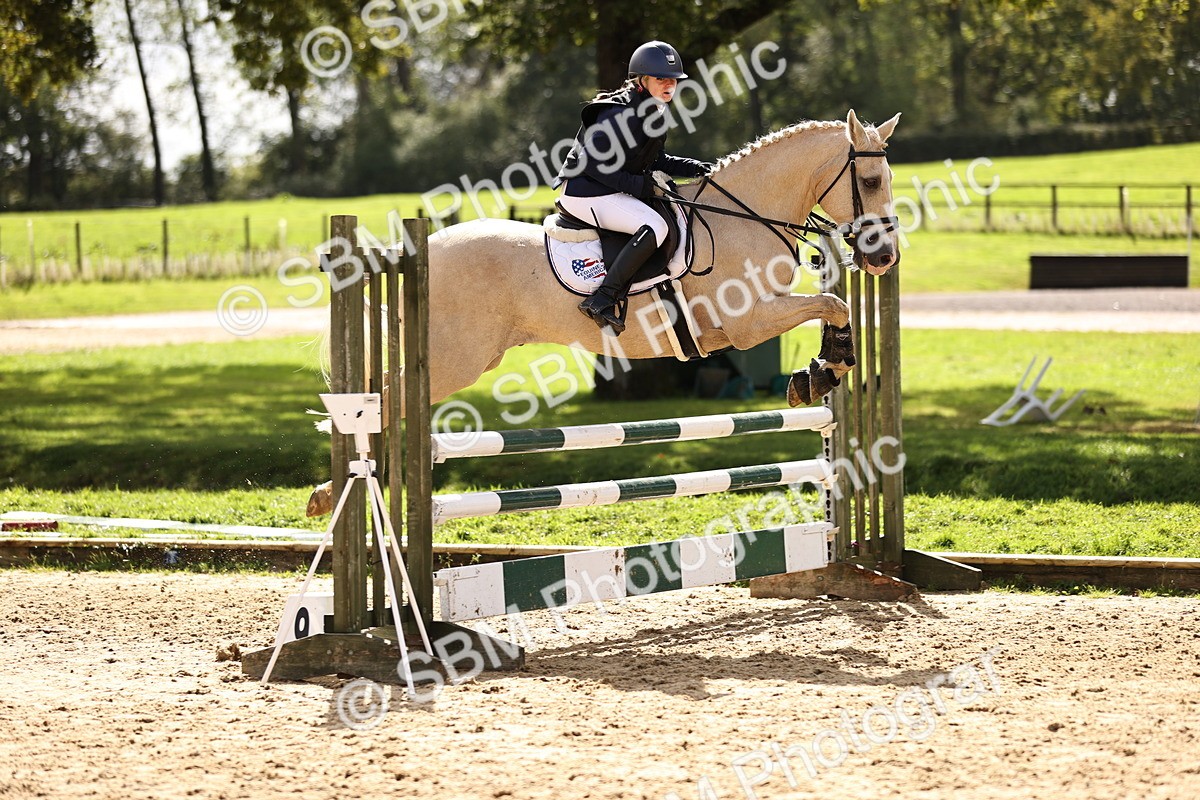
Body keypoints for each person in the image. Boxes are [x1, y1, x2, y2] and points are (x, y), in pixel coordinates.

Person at [556, 40, 712, 334]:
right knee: (655, 226)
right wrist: (638, 187)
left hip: (606, 188)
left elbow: (657, 160)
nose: (669, 85)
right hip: (585, 190)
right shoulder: (618, 113)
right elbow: (592, 164)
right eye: (661, 78)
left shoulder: (653, 110)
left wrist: (698, 167)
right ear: (642, 80)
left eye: (673, 80)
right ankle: (602, 299)